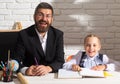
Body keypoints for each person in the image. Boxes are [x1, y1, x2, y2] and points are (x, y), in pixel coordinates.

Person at [13, 2, 64, 76]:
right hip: (30, 77)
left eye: (48, 16)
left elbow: (60, 61)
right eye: (40, 15)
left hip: (52, 77)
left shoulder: (58, 35)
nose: (44, 19)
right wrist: (26, 70)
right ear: (34, 16)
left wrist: (48, 68)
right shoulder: (23, 35)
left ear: (52, 19)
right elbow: (16, 61)